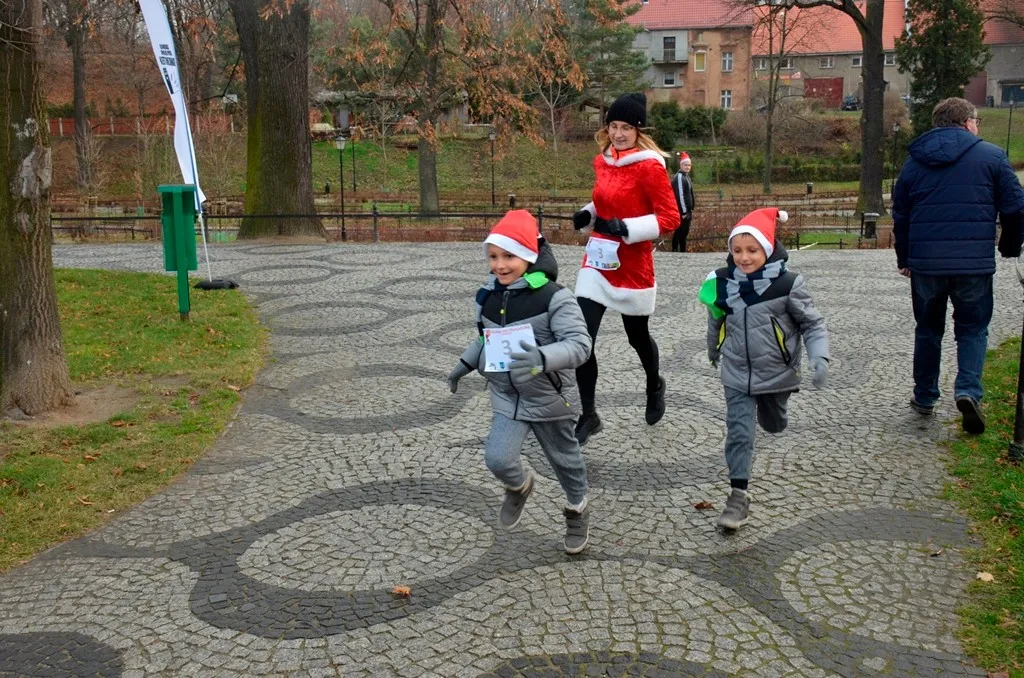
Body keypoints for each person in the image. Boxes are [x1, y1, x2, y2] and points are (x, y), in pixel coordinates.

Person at [447, 210, 594, 554]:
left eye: (509, 256)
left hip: (549, 397)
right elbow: (485, 338)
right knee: (498, 459)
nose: (500, 265)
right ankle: (519, 486)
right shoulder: (488, 295)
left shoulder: (555, 297)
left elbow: (580, 345)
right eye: (493, 256)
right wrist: (464, 364)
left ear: (528, 255)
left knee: (565, 461)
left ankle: (577, 509)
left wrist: (542, 357)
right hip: (507, 396)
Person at [893, 97, 1024, 435]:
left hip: (926, 265)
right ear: (967, 122)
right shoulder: (992, 156)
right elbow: (1015, 208)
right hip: (973, 264)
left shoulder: (914, 162)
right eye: (976, 120)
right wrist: (1009, 247)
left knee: (928, 329)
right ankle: (968, 390)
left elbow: (901, 215)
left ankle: (924, 396)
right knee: (973, 329)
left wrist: (905, 258)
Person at [698, 208, 829, 530]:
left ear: (767, 250)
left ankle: (776, 412)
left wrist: (819, 356)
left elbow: (812, 324)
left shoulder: (787, 285)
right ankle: (738, 496)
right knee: (739, 432)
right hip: (736, 371)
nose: (744, 257)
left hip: (776, 373)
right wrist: (713, 349)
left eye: (752, 250)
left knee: (773, 423)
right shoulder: (722, 283)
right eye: (737, 250)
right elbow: (716, 319)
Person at [570, 92, 681, 445]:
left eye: (626, 128)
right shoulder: (603, 161)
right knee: (581, 337)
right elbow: (605, 199)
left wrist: (628, 228)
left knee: (637, 338)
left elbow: (671, 218)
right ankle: (589, 414)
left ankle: (654, 384)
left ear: (638, 131)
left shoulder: (650, 167)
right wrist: (588, 214)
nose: (618, 134)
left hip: (632, 263)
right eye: (613, 126)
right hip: (598, 259)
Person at [671, 152, 695, 252]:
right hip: (682, 211)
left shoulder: (686, 176)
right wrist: (684, 212)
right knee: (680, 231)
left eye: (689, 165)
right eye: (685, 165)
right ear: (681, 165)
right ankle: (676, 250)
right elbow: (680, 196)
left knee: (684, 232)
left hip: (688, 210)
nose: (687, 167)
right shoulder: (680, 177)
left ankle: (682, 252)